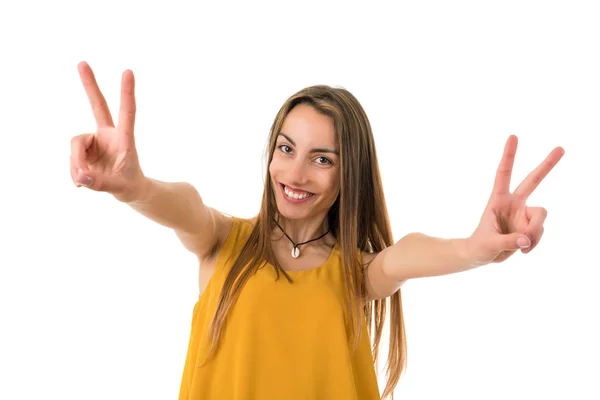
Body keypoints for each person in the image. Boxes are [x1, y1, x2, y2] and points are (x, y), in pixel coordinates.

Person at [69, 61, 565, 400]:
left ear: (350, 174)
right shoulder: (224, 242)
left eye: (321, 159)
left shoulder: (355, 273)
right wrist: (134, 188)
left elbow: (405, 255)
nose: (295, 173)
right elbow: (187, 207)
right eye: (286, 149)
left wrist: (475, 249)